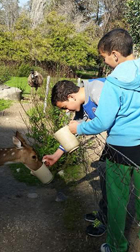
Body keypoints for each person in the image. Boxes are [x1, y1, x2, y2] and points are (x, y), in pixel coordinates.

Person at [68, 28, 140, 252]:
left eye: (104, 58)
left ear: (115, 55)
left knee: (117, 202)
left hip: (119, 150)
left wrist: (78, 127)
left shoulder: (113, 82)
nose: (106, 62)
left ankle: (117, 246)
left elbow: (102, 122)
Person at [42, 78, 109, 237]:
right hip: (114, 141)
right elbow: (72, 133)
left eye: (65, 107)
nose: (67, 111)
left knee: (113, 183)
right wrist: (56, 156)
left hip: (127, 142)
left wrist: (80, 127)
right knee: (105, 175)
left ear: (71, 97)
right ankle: (104, 212)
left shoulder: (98, 90)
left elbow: (106, 122)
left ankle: (107, 220)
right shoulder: (81, 104)